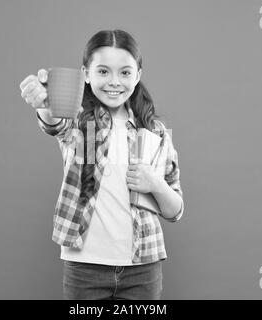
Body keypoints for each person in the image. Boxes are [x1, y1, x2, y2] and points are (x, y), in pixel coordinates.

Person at [19, 29, 184, 300]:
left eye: (125, 72)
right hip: (85, 267)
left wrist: (154, 183)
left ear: (138, 75)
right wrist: (44, 103)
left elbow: (175, 210)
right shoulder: (79, 121)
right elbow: (54, 124)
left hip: (143, 268)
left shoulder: (156, 132)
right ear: (86, 73)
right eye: (103, 72)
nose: (114, 82)